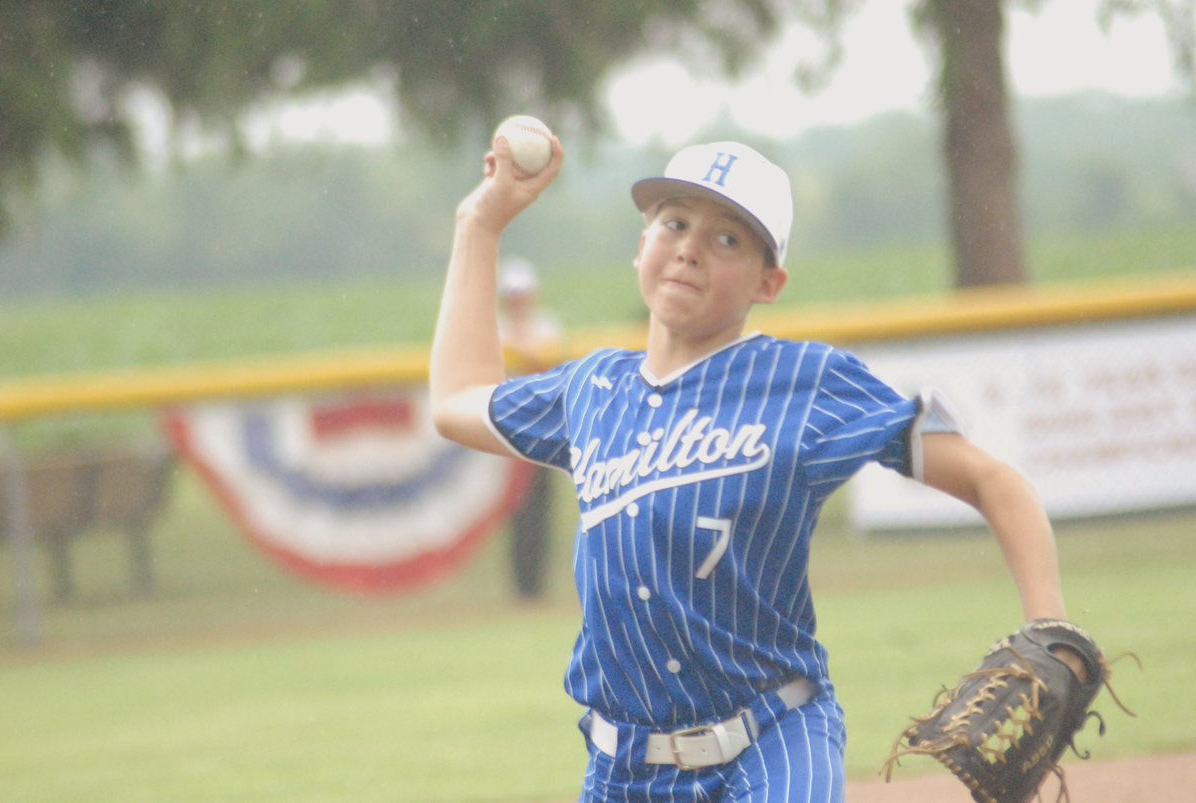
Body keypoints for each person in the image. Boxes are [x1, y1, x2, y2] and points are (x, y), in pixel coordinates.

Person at [429, 135, 1077, 801]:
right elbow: (455, 401)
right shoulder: (589, 390)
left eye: (728, 239)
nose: (689, 247)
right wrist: (478, 223)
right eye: (674, 223)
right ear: (642, 244)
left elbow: (992, 480)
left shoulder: (806, 383)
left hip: (772, 742)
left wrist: (1048, 630)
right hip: (621, 769)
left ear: (770, 282)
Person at [497, 256, 564, 599]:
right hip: (508, 435)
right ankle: (521, 587)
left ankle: (536, 587)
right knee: (516, 511)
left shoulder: (546, 326)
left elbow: (546, 360)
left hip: (543, 430)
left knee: (541, 508)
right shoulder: (497, 330)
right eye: (513, 296)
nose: (518, 302)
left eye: (522, 295)